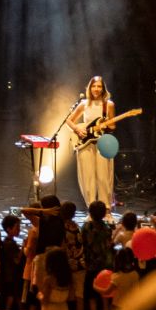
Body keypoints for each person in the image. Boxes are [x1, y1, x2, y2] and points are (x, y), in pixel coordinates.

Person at [65, 75, 116, 209]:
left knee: (104, 176)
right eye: (94, 86)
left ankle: (106, 208)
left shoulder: (109, 105)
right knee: (87, 177)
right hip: (85, 142)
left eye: (99, 86)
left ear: (103, 89)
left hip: (103, 142)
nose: (96, 89)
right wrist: (77, 129)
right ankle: (92, 207)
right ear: (90, 88)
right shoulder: (84, 104)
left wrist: (107, 124)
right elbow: (69, 120)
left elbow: (113, 126)